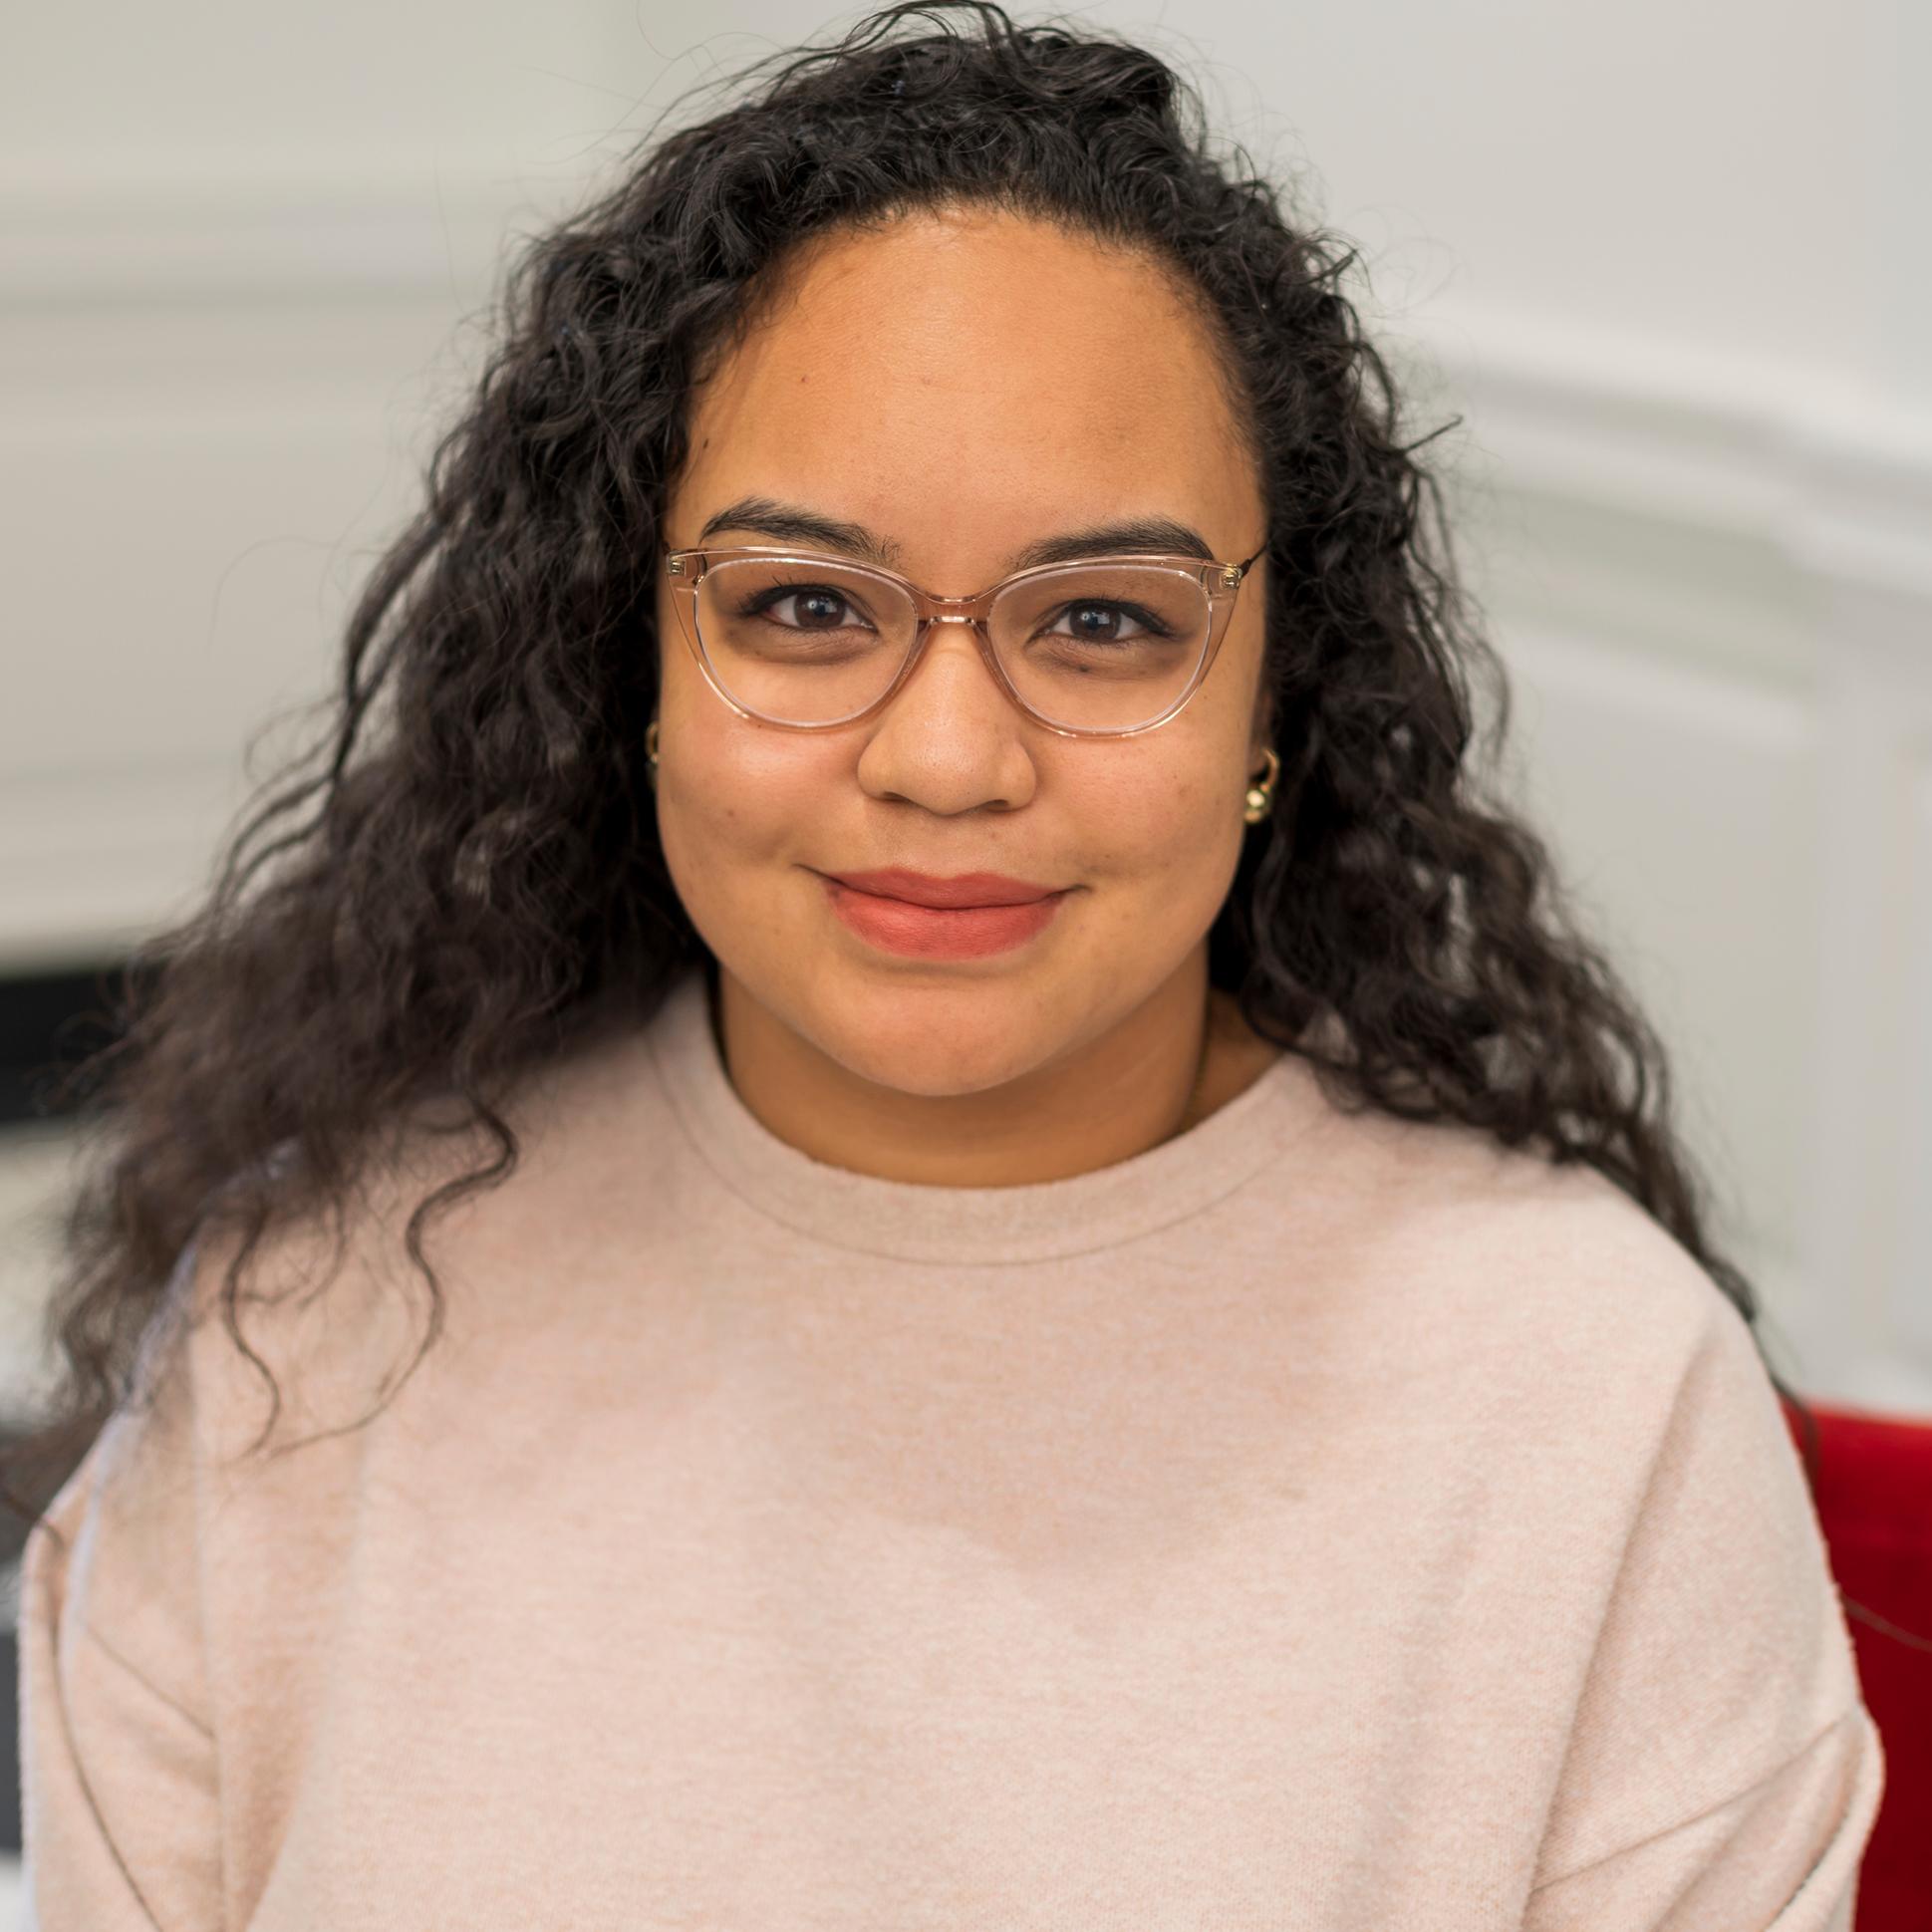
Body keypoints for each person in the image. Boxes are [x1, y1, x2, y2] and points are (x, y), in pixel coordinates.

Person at [8, 5, 1885, 1925]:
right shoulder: (304, 1334)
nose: (949, 760)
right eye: (806, 607)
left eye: (1100, 621)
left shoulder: (1588, 1401)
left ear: (1273, 692)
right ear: (624, 662)